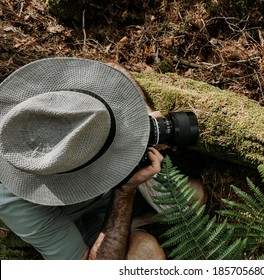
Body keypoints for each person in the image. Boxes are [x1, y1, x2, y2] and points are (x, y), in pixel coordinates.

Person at [0, 57, 205, 260]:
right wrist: (124, 192)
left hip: (117, 163)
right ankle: (139, 224)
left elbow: (111, 69)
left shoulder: (34, 109)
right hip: (91, 224)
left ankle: (147, 219)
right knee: (146, 256)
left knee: (194, 197)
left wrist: (145, 117)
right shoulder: (14, 201)